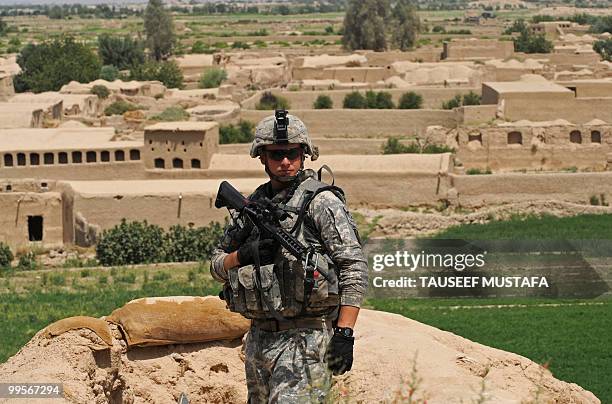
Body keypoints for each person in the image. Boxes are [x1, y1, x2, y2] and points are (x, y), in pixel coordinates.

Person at [210, 110, 368, 403]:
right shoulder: (252, 207)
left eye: (292, 154)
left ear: (304, 154)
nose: (285, 162)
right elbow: (217, 266)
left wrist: (345, 333)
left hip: (305, 341)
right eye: (276, 154)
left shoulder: (321, 203)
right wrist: (244, 255)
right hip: (259, 340)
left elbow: (353, 268)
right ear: (262, 157)